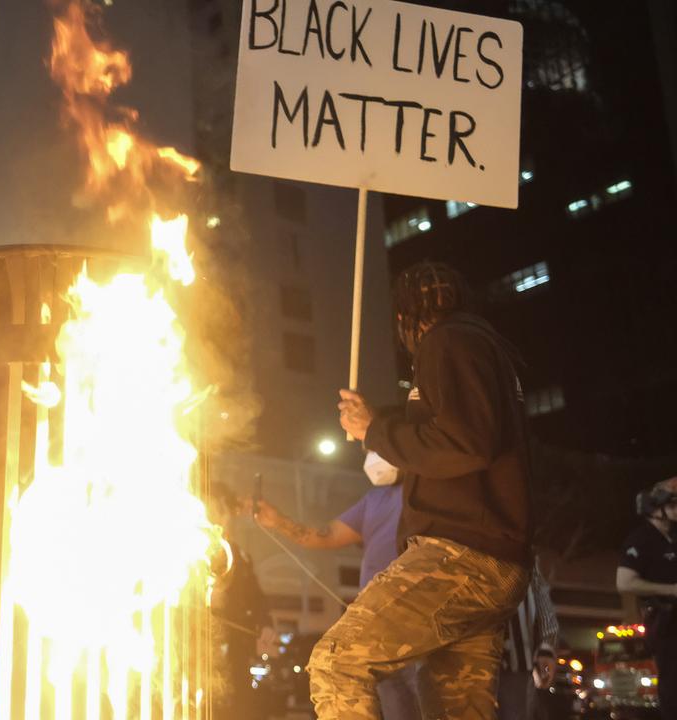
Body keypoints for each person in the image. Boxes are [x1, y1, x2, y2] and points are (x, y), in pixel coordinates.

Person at [311, 261, 533, 719]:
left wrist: (374, 429)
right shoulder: (482, 349)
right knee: (456, 709)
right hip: (496, 564)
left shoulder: (448, 341)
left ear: (405, 317)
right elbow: (453, 429)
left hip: (459, 556)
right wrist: (378, 423)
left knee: (338, 662)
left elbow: (462, 444)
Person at [254, 474, 421, 720]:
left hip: (421, 617)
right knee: (391, 699)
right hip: (376, 625)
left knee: (428, 696)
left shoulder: (429, 489)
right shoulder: (374, 499)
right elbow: (327, 535)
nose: (364, 448)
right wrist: (279, 521)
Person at [207, 482, 277, 718]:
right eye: (214, 508)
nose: (220, 516)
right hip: (202, 645)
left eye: (223, 509)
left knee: (239, 704)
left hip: (236, 645)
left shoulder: (238, 554)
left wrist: (266, 622)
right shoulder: (195, 549)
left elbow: (255, 597)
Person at [616, 479, 677, 720]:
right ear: (656, 508)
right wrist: (671, 590)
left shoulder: (672, 538)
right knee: (673, 685)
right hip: (666, 622)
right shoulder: (641, 539)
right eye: (673, 505)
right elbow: (624, 582)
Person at [496, 567, 559, 720]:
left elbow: (537, 587)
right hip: (467, 651)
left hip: (516, 657)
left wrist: (546, 644)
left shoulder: (524, 549)